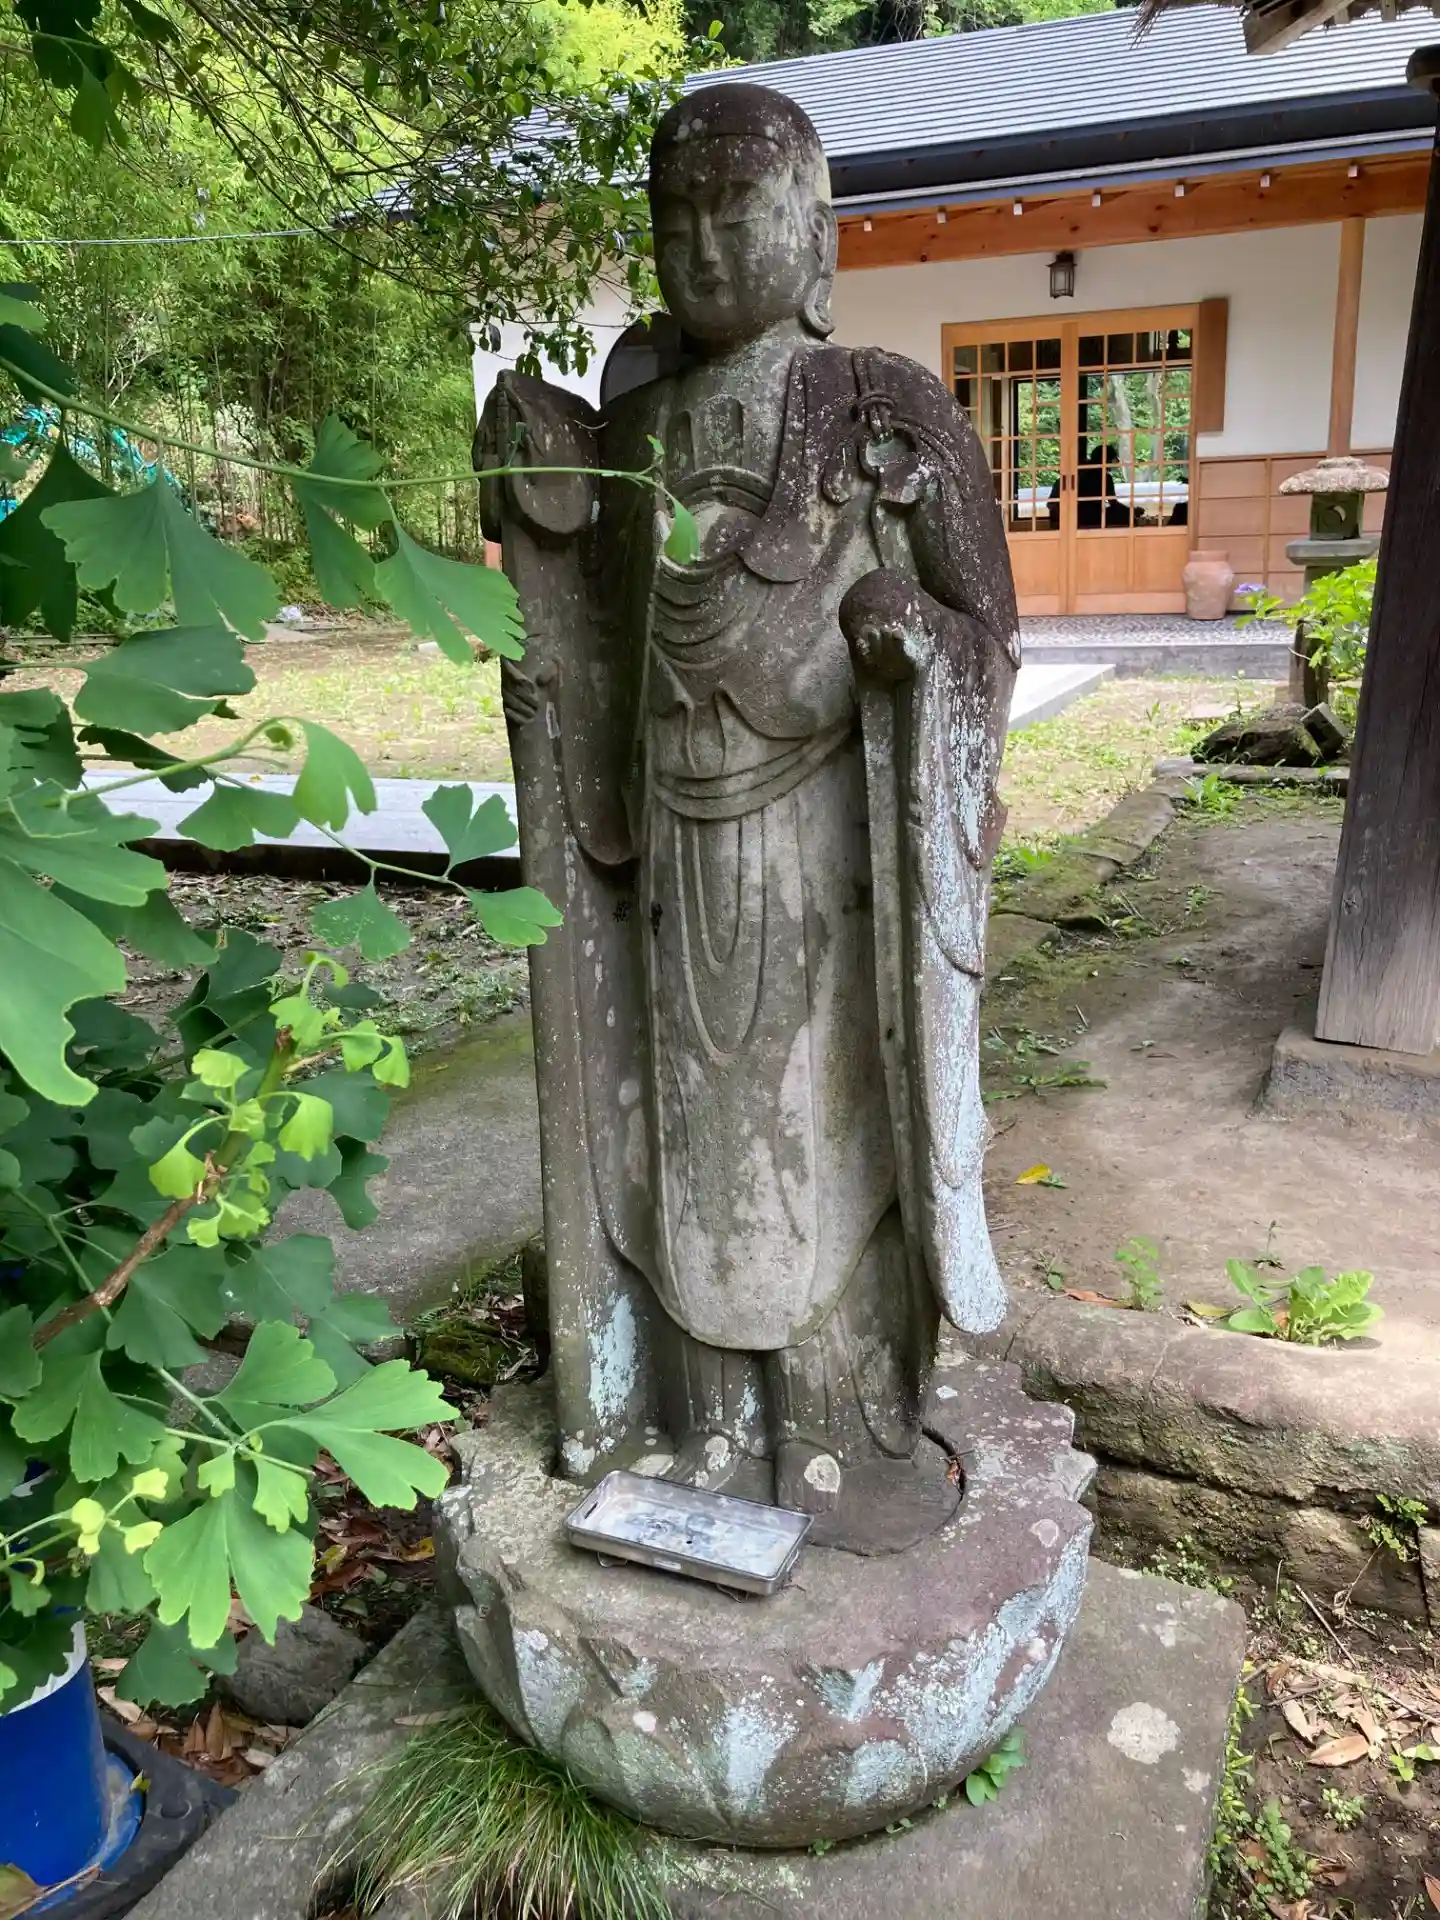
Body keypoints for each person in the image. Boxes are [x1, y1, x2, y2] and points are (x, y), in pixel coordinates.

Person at [476, 84, 1018, 1550]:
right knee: (695, 1144)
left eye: (738, 211)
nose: (704, 245)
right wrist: (539, 480)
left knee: (824, 1132)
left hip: (830, 862)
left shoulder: (886, 411)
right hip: (670, 854)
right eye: (676, 217)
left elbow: (990, 634)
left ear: (817, 233)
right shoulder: (636, 427)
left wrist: (917, 642)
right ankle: (703, 1421)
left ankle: (836, 1428)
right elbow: (591, 621)